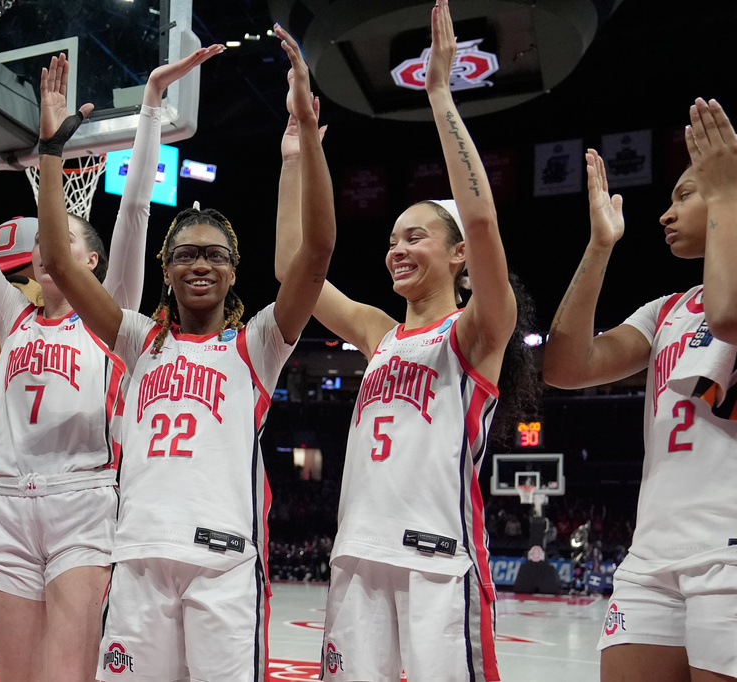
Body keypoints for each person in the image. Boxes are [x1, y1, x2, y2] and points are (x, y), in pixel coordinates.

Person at [0, 45, 223, 682]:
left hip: (83, 504)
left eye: (61, 239)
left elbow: (136, 212)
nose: (46, 248)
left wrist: (150, 106)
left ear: (88, 261)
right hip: (5, 502)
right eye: (41, 242)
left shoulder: (111, 317)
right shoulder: (10, 315)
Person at [36, 26, 333, 680]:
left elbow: (314, 257)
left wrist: (306, 142)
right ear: (165, 269)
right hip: (139, 560)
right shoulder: (139, 340)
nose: (200, 264)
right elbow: (57, 258)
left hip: (224, 568)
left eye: (215, 255)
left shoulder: (257, 345)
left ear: (233, 271)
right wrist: (51, 152)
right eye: (186, 254)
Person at [274, 3, 537, 679]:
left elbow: (481, 223)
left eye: (414, 236)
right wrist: (295, 156)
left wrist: (442, 98)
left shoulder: (477, 333)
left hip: (439, 560)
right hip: (360, 555)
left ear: (456, 259)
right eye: (391, 240)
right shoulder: (378, 332)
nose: (396, 250)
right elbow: (289, 271)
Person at [544, 98, 737, 682]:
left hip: (728, 549)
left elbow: (727, 317)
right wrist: (600, 245)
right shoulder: (668, 310)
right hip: (651, 554)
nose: (665, 212)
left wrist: (727, 192)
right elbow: (565, 364)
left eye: (686, 193)